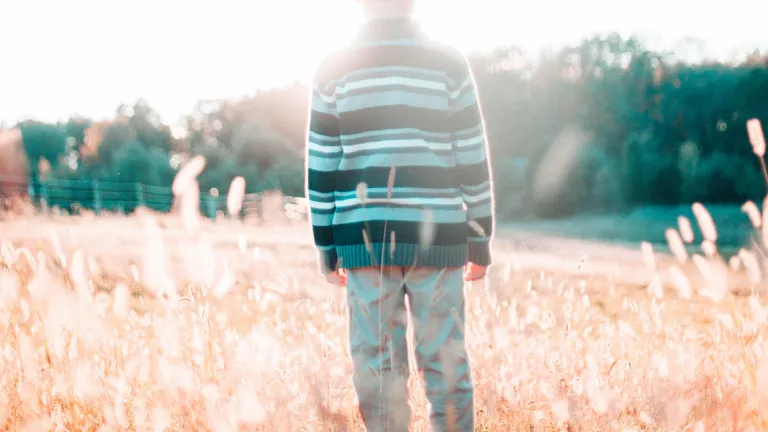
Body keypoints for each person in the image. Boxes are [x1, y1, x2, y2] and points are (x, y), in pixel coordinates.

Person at [305, 0, 495, 430]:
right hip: (440, 239)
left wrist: (327, 246)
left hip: (362, 241)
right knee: (446, 368)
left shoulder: (334, 67)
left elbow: (322, 164)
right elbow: (472, 155)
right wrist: (480, 235)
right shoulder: (448, 63)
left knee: (377, 371)